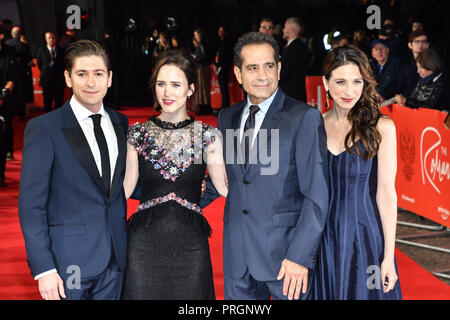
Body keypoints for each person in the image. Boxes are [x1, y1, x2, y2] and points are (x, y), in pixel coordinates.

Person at [200, 32, 329, 300]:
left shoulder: (303, 118)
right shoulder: (228, 117)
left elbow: (316, 196)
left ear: (279, 69)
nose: (262, 75)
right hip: (238, 257)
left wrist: (299, 256)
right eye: (253, 68)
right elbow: (231, 179)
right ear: (237, 73)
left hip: (285, 260)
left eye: (269, 66)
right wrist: (172, 197)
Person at [18, 40, 129, 300]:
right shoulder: (45, 128)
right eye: (82, 74)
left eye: (98, 74)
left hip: (115, 260)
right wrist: (44, 268)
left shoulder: (120, 122)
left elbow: (118, 183)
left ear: (109, 78)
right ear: (68, 78)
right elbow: (31, 205)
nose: (91, 83)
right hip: (68, 265)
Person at [121, 50, 227, 299]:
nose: (167, 93)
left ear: (190, 89)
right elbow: (126, 188)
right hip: (144, 244)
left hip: (191, 244)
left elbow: (224, 187)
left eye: (175, 84)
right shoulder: (138, 134)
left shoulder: (208, 135)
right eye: (161, 84)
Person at [313, 45, 402, 300]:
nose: (349, 91)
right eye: (340, 81)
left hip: (364, 238)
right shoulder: (313, 125)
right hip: (321, 240)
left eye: (357, 82)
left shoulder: (382, 127)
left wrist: (388, 256)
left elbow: (386, 195)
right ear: (326, 83)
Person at [394, 30, 430, 103]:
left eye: (423, 41)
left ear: (427, 45)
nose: (420, 44)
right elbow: (399, 88)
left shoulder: (434, 64)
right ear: (410, 45)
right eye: (417, 42)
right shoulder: (404, 65)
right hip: (407, 103)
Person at [0, 21, 15, 187]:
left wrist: (4, 94)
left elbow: (12, 78)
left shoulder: (8, 54)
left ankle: (1, 174)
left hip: (4, 100)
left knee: (2, 137)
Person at [279, 17, 309, 102]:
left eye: (285, 27)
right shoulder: (297, 46)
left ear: (291, 30)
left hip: (292, 96)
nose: (283, 30)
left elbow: (284, 71)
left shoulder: (295, 48)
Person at [36, 32, 65, 112]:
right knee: (47, 101)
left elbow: (64, 64)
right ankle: (48, 119)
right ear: (46, 39)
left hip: (59, 80)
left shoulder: (61, 50)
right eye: (49, 38)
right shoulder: (41, 50)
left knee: (59, 101)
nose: (51, 40)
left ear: (55, 39)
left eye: (53, 38)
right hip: (46, 81)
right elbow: (39, 64)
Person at [191, 28, 212, 115]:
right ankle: (202, 107)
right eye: (194, 35)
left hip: (203, 69)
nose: (195, 37)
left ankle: (205, 108)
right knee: (200, 89)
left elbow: (204, 57)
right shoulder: (200, 45)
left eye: (196, 35)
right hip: (200, 68)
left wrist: (196, 58)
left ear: (200, 35)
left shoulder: (203, 45)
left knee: (204, 89)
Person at [214, 25, 233, 110]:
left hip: (224, 67)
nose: (220, 32)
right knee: (223, 88)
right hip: (221, 67)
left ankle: (225, 105)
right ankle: (224, 105)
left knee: (224, 87)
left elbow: (224, 56)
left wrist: (219, 65)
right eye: (219, 30)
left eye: (222, 31)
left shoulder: (226, 42)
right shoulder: (221, 41)